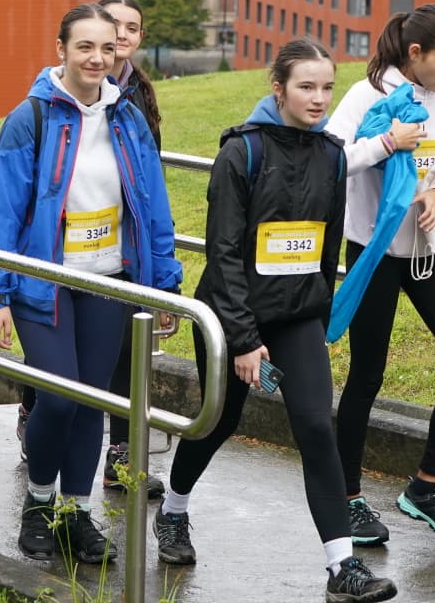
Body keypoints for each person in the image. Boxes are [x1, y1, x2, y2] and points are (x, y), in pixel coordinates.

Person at [154, 37, 398, 603]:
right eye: (305, 87)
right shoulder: (241, 152)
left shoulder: (335, 154)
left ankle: (343, 567)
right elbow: (225, 253)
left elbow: (326, 248)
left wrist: (317, 314)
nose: (318, 98)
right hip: (229, 317)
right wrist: (242, 339)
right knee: (218, 424)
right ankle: (174, 509)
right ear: (278, 89)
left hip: (297, 317)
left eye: (326, 88)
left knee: (316, 426)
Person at [0, 3, 180, 564]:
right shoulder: (32, 118)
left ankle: (75, 512)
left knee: (93, 403)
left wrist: (162, 285)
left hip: (110, 281)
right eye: (85, 47)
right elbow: (2, 213)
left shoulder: (128, 118)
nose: (97, 58)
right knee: (60, 397)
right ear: (61, 49)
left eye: (107, 48)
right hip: (44, 282)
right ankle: (39, 505)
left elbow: (153, 206)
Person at [327, 6, 435, 543]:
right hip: (372, 247)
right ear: (414, 54)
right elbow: (329, 161)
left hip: (425, 248)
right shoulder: (367, 95)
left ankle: (425, 486)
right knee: (367, 375)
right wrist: (387, 143)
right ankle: (347, 497)